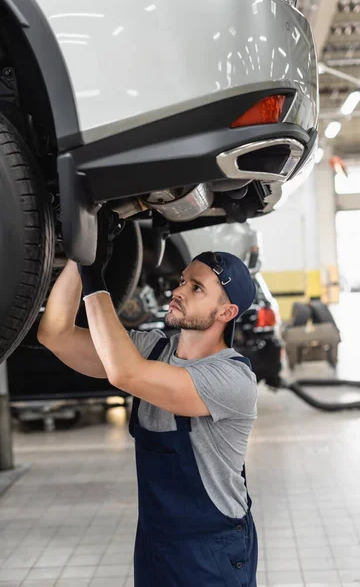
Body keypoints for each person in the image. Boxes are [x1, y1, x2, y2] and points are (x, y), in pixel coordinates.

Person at [38, 209, 259, 587]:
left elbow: (125, 372)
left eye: (196, 288)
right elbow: (55, 334)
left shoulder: (232, 379)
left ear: (227, 311)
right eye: (183, 281)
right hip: (156, 542)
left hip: (211, 547)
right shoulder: (151, 348)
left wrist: (96, 277)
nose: (178, 290)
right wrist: (80, 255)